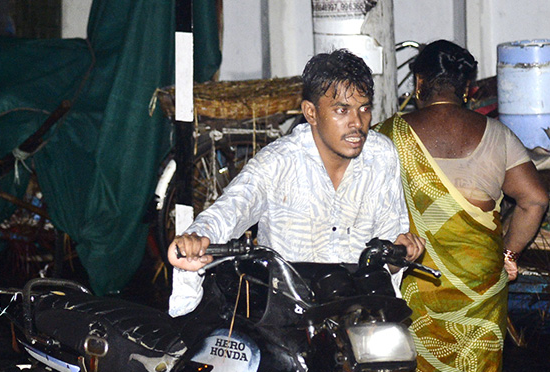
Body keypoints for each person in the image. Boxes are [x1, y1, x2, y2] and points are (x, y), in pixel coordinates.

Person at [167, 49, 424, 316]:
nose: (357, 123)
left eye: (364, 109)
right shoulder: (279, 161)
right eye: (341, 110)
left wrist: (398, 256)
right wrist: (195, 240)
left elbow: (389, 244)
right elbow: (230, 210)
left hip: (358, 316)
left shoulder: (381, 155)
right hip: (290, 317)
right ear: (311, 113)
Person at [376, 40, 548, 372]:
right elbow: (534, 200)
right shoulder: (498, 135)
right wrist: (509, 253)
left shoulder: (387, 135)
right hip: (481, 284)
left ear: (419, 83)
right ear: (467, 88)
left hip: (416, 280)